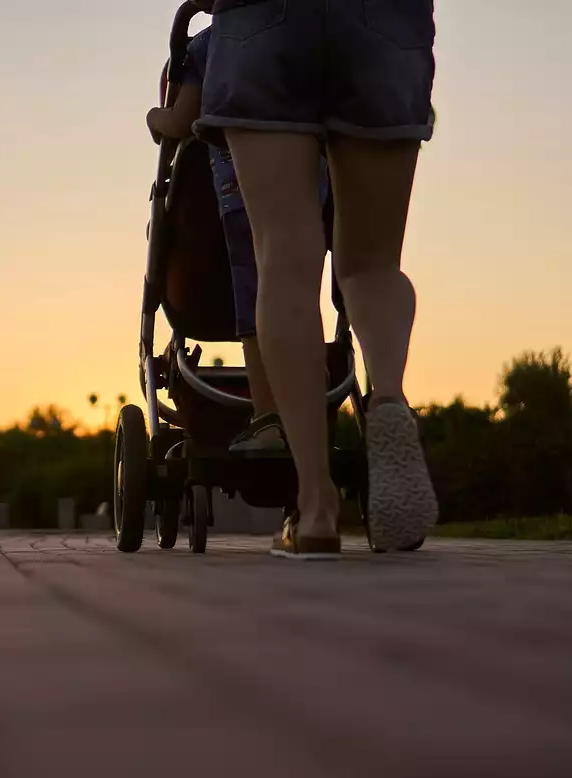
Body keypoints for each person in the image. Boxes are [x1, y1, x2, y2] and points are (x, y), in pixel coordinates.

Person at [195, 0, 439, 559]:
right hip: (383, 23)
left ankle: (315, 506)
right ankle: (388, 398)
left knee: (284, 259)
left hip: (262, 20)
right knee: (374, 264)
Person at [146, 2, 329, 454]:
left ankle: (267, 419)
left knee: (257, 300)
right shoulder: (310, 35)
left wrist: (155, 117)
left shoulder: (210, 45)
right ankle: (309, 415)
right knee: (299, 295)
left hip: (240, 195)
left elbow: (180, 120)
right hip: (310, 192)